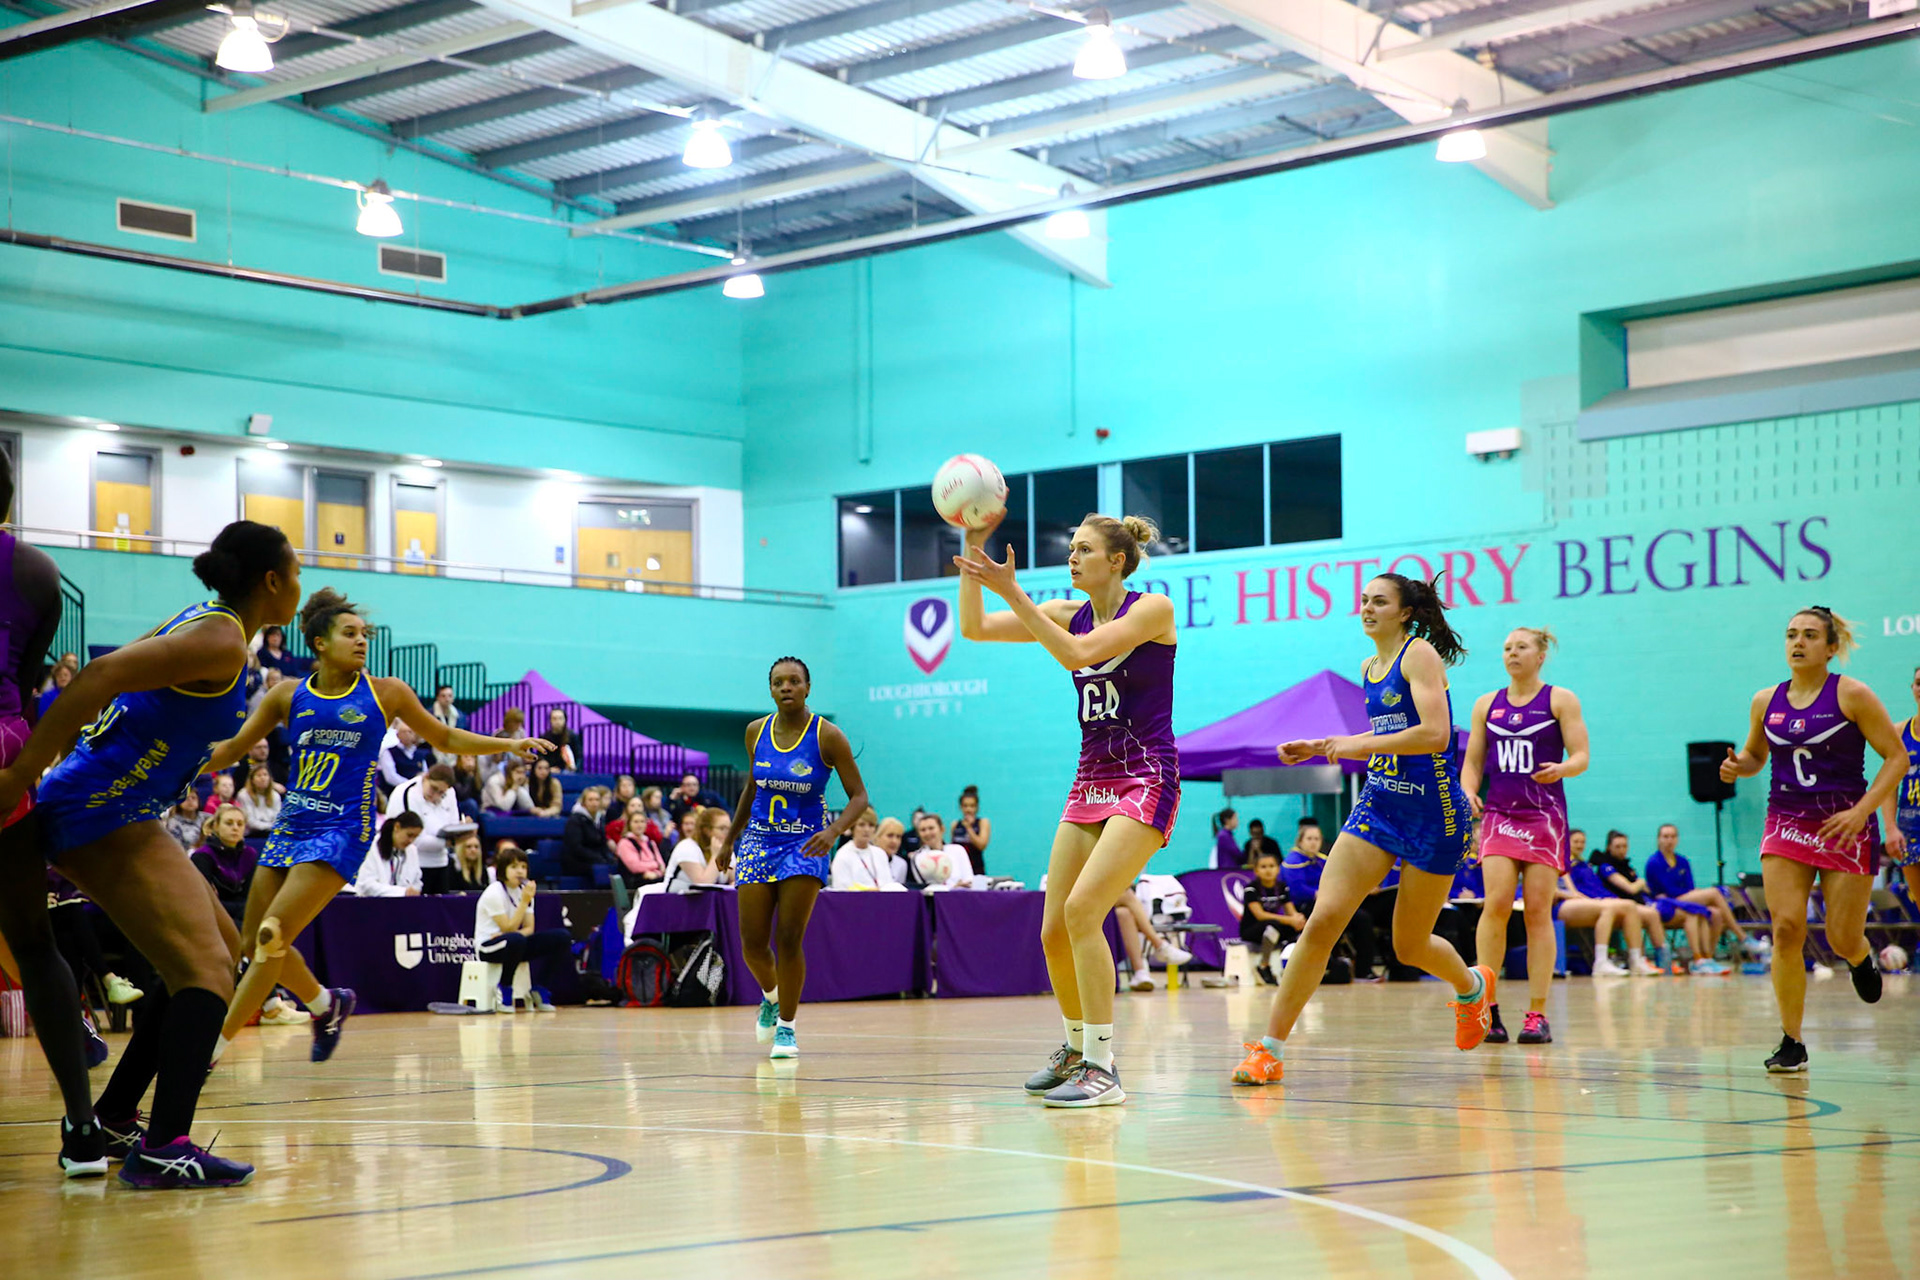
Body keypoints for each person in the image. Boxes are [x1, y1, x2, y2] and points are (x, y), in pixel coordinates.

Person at [0, 520, 303, 1187]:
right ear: (273, 581)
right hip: (99, 809)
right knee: (206, 971)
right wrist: (22, 776)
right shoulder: (222, 637)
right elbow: (103, 674)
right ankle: (165, 1144)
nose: (302, 584)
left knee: (215, 957)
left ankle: (113, 1118)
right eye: (297, 571)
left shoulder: (209, 625)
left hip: (117, 804)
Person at [205, 588, 547, 1069]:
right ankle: (326, 1005)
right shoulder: (288, 695)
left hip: (344, 827)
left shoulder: (385, 692)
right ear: (320, 643)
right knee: (256, 943)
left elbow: (444, 736)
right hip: (292, 824)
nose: (362, 641)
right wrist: (176, 766)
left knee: (270, 936)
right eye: (350, 634)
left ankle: (211, 1049)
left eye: (364, 634)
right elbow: (233, 747)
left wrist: (506, 745)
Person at [956, 510, 1179, 1109]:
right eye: (1070, 547)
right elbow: (973, 627)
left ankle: (1104, 1070)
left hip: (1145, 776)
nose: (1071, 557)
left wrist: (1014, 591)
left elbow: (1077, 654)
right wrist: (971, 544)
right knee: (1054, 926)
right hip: (1091, 779)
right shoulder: (1063, 612)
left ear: (1117, 560)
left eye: (1082, 549)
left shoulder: (1152, 609)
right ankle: (1077, 1049)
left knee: (1085, 911)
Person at [1233, 573, 1492, 1089]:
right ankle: (1270, 1049)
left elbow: (1437, 734)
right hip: (1379, 806)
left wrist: (1353, 745)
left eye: (1380, 601)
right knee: (1323, 920)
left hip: (1435, 815)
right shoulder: (1369, 667)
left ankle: (1471, 986)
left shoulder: (1418, 655)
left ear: (1405, 612)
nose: (1367, 608)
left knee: (1409, 946)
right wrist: (1320, 745)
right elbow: (1384, 737)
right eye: (1364, 601)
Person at [1720, 606, 1906, 1073]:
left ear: (1830, 647)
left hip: (1843, 823)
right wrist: (1737, 766)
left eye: (1808, 635)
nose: (1797, 642)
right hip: (1786, 821)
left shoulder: (1853, 695)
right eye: (1790, 635)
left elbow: (1897, 757)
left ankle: (1860, 955)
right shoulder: (1766, 700)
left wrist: (1862, 812)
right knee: (1785, 927)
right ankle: (1792, 1041)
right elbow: (1756, 755)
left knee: (1841, 936)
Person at [715, 656, 870, 1060]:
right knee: (751, 944)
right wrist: (729, 839)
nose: (786, 687)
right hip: (758, 841)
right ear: (770, 689)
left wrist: (833, 832)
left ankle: (787, 1026)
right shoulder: (756, 732)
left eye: (794, 681)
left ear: (807, 687)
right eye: (778, 682)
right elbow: (752, 788)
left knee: (787, 936)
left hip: (806, 843)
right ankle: (770, 996)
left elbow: (859, 796)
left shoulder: (827, 736)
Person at [1460, 626, 1591, 1047]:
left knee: (1537, 911)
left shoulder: (1560, 699)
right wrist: (1466, 790)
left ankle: (1537, 1013)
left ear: (1540, 656)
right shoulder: (1486, 704)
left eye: (1521, 647)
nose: (1512, 653)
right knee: (1496, 903)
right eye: (1506, 648)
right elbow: (1473, 762)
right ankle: (1489, 1008)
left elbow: (1582, 756)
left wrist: (1563, 769)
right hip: (1499, 813)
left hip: (1544, 816)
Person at [475, 847, 569, 1011]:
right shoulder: (494, 892)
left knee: (562, 937)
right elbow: (508, 926)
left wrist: (511, 933)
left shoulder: (524, 892)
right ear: (503, 870)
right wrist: (524, 903)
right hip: (488, 947)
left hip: (512, 944)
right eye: (513, 867)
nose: (519, 871)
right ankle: (504, 987)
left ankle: (540, 988)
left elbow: (529, 929)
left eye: (523, 867)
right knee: (516, 939)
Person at [1644, 823, 1741, 972]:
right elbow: (1668, 892)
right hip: (1666, 905)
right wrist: (1695, 895)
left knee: (1716, 914)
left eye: (1673, 836)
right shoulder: (1654, 862)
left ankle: (1707, 958)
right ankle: (1741, 936)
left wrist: (1694, 894)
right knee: (1714, 893)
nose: (1669, 840)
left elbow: (1689, 886)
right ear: (1659, 839)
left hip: (1685, 901)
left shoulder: (1683, 861)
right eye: (1665, 836)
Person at [1589, 830, 1682, 973]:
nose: (1622, 850)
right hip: (1618, 904)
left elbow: (1646, 889)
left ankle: (1664, 961)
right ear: (1609, 847)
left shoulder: (1627, 867)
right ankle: (1643, 959)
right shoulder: (1605, 866)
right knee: (1650, 914)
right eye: (1617, 846)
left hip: (1636, 904)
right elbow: (1630, 888)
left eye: (1624, 846)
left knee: (1656, 910)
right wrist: (1641, 881)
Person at [389, 763, 462, 894]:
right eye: (433, 789)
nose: (435, 796)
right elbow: (413, 840)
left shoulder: (450, 792)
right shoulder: (406, 793)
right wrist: (448, 843)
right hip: (411, 865)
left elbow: (453, 827)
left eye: (441, 793)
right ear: (426, 777)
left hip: (441, 863)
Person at [1883, 665, 1920, 907]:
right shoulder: (1899, 731)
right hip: (1910, 827)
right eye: (1919, 683)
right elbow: (1888, 785)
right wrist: (1890, 828)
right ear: (1912, 688)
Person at [1240, 851, 1305, 983]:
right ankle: (1264, 966)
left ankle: (1295, 966)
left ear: (1278, 869)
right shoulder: (1251, 889)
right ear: (1256, 871)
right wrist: (1290, 920)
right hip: (1252, 930)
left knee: (1300, 927)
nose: (1268, 870)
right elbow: (1260, 915)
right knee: (1273, 925)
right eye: (1263, 867)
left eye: (1271, 866)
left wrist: (1299, 919)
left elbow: (1290, 910)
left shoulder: (1282, 887)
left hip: (1273, 927)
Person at [191, 804, 257, 928]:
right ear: (216, 826)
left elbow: (251, 897)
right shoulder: (202, 856)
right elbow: (204, 902)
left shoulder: (250, 855)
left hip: (243, 916)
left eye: (240, 824)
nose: (235, 828)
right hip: (213, 920)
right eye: (229, 823)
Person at [831, 809, 903, 891]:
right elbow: (841, 890)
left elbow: (888, 884)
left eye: (871, 825)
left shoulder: (880, 853)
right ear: (853, 828)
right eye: (861, 825)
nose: (867, 830)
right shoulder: (843, 855)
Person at [355, 812, 425, 897]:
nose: (411, 841)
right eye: (409, 835)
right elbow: (366, 885)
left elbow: (417, 882)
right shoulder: (371, 847)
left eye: (415, 837)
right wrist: (402, 892)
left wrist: (412, 891)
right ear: (397, 827)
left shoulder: (412, 850)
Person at [666, 806, 729, 893]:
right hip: (676, 901)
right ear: (706, 830)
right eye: (722, 828)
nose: (728, 834)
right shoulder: (686, 847)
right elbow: (703, 884)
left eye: (729, 829)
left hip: (708, 902)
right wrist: (716, 856)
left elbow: (735, 879)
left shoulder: (724, 848)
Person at [561, 785, 616, 878]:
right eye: (590, 800)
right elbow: (576, 848)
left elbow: (603, 843)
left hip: (596, 859)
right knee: (601, 870)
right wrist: (599, 858)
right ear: (583, 803)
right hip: (577, 861)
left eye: (597, 800)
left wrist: (608, 858)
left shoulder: (600, 818)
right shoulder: (575, 820)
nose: (594, 803)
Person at [612, 798, 666, 889]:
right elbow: (635, 867)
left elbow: (662, 866)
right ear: (629, 824)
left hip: (654, 878)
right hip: (634, 882)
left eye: (642, 822)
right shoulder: (624, 843)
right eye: (636, 822)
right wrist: (655, 865)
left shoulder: (651, 843)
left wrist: (656, 873)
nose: (639, 825)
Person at [913, 812, 975, 889]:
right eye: (923, 830)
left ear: (942, 829)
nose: (927, 833)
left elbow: (969, 881)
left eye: (931, 828)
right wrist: (952, 888)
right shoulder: (917, 857)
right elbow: (925, 888)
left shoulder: (958, 850)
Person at [378, 719, 434, 793]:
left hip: (416, 792)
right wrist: (410, 785)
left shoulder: (419, 754)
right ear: (398, 734)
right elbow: (391, 777)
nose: (409, 735)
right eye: (406, 732)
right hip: (395, 792)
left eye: (412, 732)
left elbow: (425, 772)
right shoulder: (389, 752)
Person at [479, 707, 529, 782]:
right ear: (509, 722)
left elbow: (525, 754)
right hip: (500, 768)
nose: (518, 726)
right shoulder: (498, 735)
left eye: (520, 723)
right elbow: (495, 758)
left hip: (517, 767)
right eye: (516, 722)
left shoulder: (521, 733)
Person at [951, 786, 992, 876]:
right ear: (960, 807)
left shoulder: (983, 823)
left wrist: (969, 828)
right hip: (959, 871)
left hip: (977, 870)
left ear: (977, 808)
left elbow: (982, 845)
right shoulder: (955, 825)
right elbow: (952, 849)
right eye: (965, 806)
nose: (968, 809)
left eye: (972, 806)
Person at [236, 761, 282, 838]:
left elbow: (278, 818)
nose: (263, 778)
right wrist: (270, 826)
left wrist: (272, 827)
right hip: (251, 835)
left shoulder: (275, 795)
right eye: (259, 775)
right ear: (252, 780)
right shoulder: (243, 795)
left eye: (265, 775)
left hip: (271, 832)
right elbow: (250, 822)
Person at [536, 707, 579, 772]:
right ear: (550, 720)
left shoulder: (572, 736)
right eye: (554, 718)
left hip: (568, 771)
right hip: (549, 771)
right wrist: (548, 769)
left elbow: (579, 756)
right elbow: (541, 757)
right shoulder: (544, 737)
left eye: (560, 718)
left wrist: (575, 768)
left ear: (565, 720)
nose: (557, 721)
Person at [448, 828, 491, 893]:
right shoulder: (452, 868)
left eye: (476, 847)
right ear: (461, 849)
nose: (473, 850)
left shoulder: (483, 870)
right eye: (468, 847)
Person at [428, 684, 464, 761]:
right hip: (433, 755)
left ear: (453, 698)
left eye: (450, 696)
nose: (447, 699)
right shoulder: (429, 715)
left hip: (454, 755)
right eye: (443, 696)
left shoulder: (460, 716)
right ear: (437, 697)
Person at [874, 816, 911, 886]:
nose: (894, 841)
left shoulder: (901, 864)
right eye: (890, 835)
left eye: (898, 837)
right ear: (878, 837)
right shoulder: (868, 860)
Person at [450, 755, 484, 819]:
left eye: (472, 757)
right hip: (457, 805)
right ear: (459, 759)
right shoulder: (453, 772)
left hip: (474, 807)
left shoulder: (476, 774)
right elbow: (462, 795)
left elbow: (479, 798)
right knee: (471, 804)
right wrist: (469, 776)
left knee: (489, 815)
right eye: (466, 756)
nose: (469, 760)